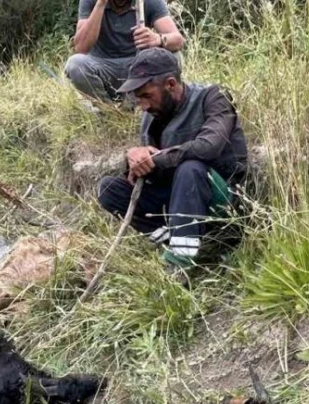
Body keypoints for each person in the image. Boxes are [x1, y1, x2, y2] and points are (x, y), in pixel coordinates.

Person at [97, 48, 248, 266]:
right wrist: (133, 158)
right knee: (108, 188)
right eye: (139, 99)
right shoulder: (152, 116)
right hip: (176, 201)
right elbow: (150, 169)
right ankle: (174, 239)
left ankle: (179, 263)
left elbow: (208, 148)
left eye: (147, 96)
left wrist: (156, 159)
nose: (144, 106)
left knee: (191, 168)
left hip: (220, 201)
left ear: (170, 84)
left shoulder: (214, 97)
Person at [65, 0, 185, 101]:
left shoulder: (149, 1)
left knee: (173, 56)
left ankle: (136, 104)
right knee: (75, 64)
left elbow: (178, 40)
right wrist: (100, 4)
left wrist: (158, 39)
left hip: (139, 69)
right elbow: (80, 47)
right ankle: (107, 111)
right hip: (103, 68)